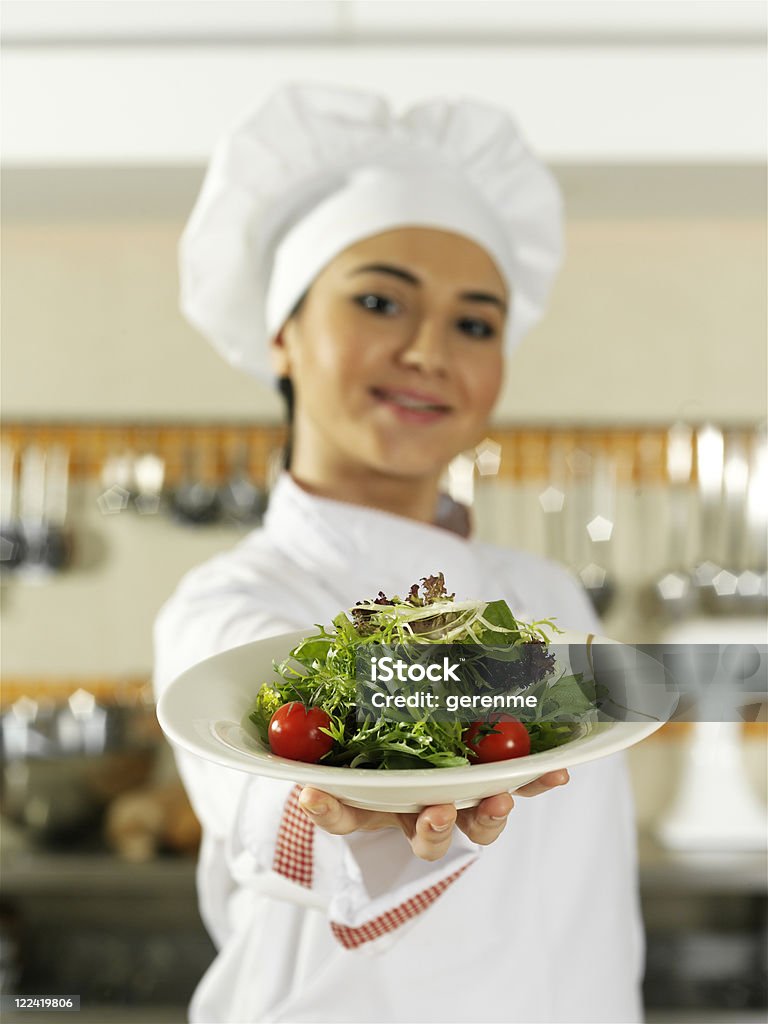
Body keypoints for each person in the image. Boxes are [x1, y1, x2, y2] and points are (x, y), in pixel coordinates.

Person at [153, 84, 643, 1024]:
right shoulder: (229, 600)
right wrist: (350, 804)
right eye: (381, 300)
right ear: (283, 335)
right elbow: (266, 786)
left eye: (474, 323)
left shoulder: (545, 595)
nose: (429, 351)